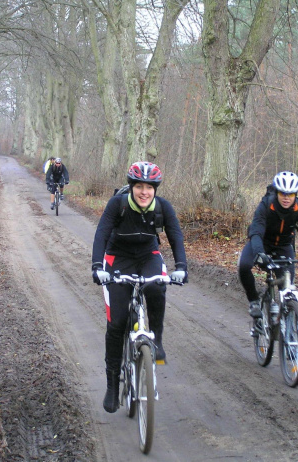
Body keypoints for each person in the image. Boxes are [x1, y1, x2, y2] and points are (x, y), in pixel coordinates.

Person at [91, 161, 188, 413]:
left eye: (149, 187)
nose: (144, 192)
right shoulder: (118, 204)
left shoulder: (163, 207)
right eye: (139, 186)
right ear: (132, 187)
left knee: (157, 287)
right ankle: (113, 385)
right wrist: (96, 267)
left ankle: (156, 340)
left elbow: (175, 235)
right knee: (117, 323)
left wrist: (181, 267)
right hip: (117, 258)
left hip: (148, 256)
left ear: (155, 189)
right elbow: (101, 232)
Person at [238, 171, 298, 320]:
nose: (286, 198)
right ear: (277, 193)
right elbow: (256, 231)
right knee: (244, 265)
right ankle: (254, 301)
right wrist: (260, 253)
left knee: (286, 287)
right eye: (283, 194)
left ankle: (286, 322)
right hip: (262, 244)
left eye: (291, 194)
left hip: (283, 246)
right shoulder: (267, 205)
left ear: (296, 195)